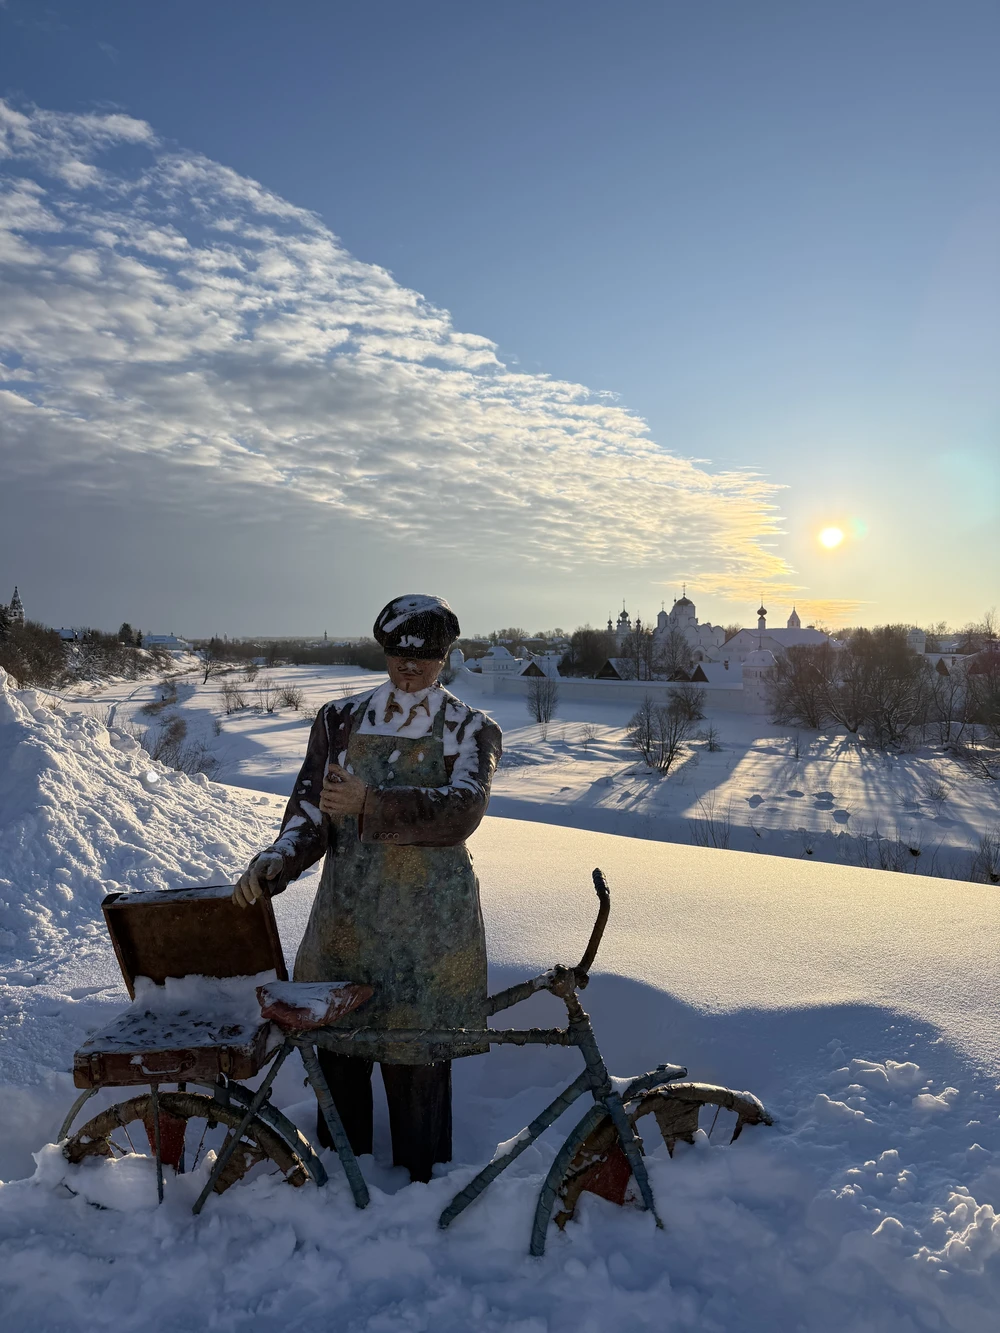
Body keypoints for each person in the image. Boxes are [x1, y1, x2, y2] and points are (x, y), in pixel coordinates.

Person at [233, 594, 502, 1182]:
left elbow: (462, 812)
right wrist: (280, 857)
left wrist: (372, 802)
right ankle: (338, 1185)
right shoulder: (340, 720)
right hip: (348, 921)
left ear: (446, 657)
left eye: (425, 657)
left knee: (417, 1057)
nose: (410, 667)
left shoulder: (471, 729)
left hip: (430, 930)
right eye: (399, 654)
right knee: (339, 1051)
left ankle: (423, 1188)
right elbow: (312, 810)